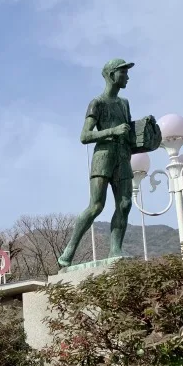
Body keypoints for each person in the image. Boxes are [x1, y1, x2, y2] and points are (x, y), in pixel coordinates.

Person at [57, 58, 136, 269]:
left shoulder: (124, 104)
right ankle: (70, 249)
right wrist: (112, 131)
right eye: (123, 72)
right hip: (103, 157)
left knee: (125, 204)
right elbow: (84, 136)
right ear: (111, 75)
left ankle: (115, 249)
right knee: (96, 206)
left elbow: (128, 132)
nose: (127, 76)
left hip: (123, 157)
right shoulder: (97, 103)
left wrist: (145, 133)